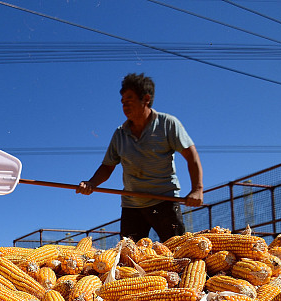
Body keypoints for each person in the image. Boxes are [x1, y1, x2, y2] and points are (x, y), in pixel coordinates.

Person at [76, 73, 204, 241]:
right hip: (132, 205)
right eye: (122, 102)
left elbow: (191, 156)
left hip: (165, 201)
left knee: (177, 254)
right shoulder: (120, 134)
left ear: (146, 99)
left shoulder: (168, 124)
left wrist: (197, 190)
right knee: (128, 258)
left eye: (129, 100)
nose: (124, 106)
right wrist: (91, 183)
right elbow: (107, 167)